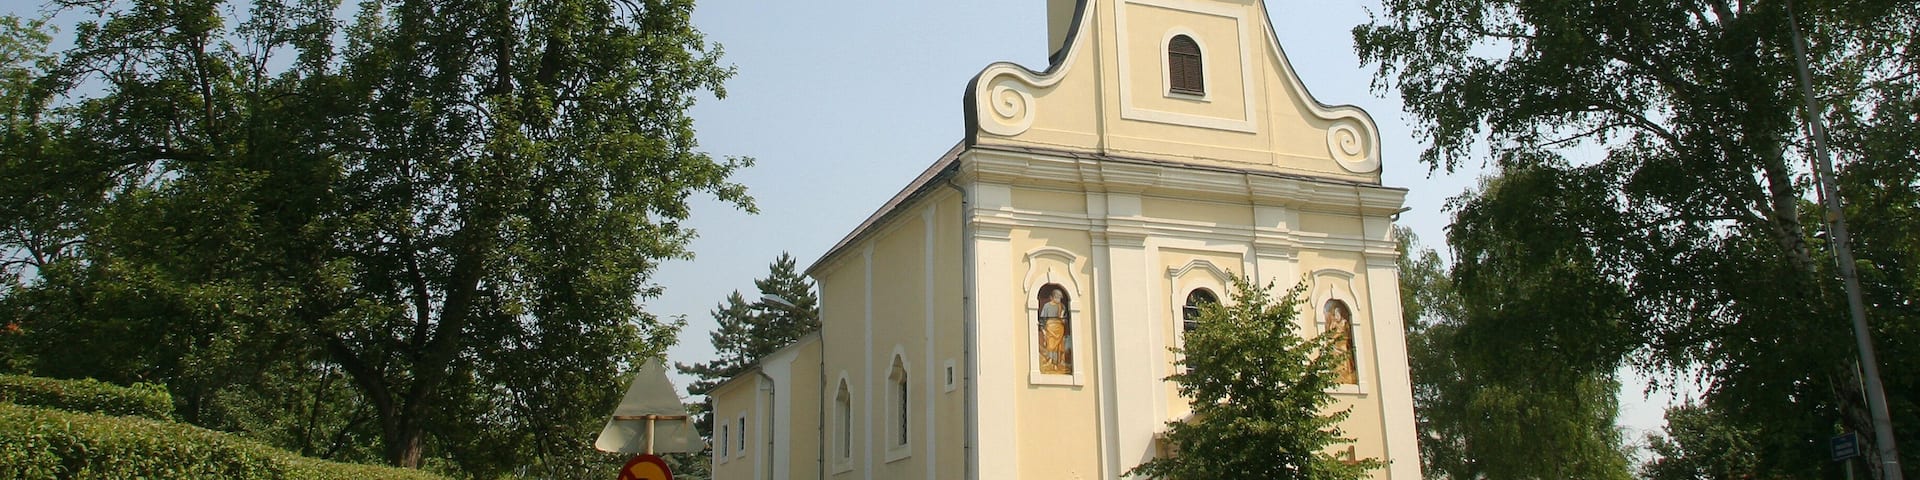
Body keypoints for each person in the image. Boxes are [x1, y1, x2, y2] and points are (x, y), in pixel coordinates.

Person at [1038, 289, 1070, 374]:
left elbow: (1064, 319)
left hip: (1059, 328)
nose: (1058, 300)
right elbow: (1043, 318)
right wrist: (1043, 329)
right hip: (1050, 327)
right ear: (1052, 297)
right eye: (1056, 297)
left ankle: (1057, 362)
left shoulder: (1062, 306)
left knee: (1058, 346)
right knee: (1050, 344)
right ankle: (1050, 360)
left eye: (1059, 298)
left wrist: (1062, 318)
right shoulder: (1046, 306)